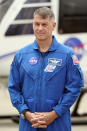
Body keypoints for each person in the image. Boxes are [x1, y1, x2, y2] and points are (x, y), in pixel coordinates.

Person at [8, 7, 84, 131]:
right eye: (37, 24)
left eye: (44, 24)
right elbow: (14, 88)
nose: (40, 28)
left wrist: (54, 114)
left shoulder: (67, 55)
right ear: (32, 24)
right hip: (29, 124)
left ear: (53, 25)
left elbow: (74, 88)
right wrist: (26, 113)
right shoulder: (21, 55)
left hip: (58, 124)